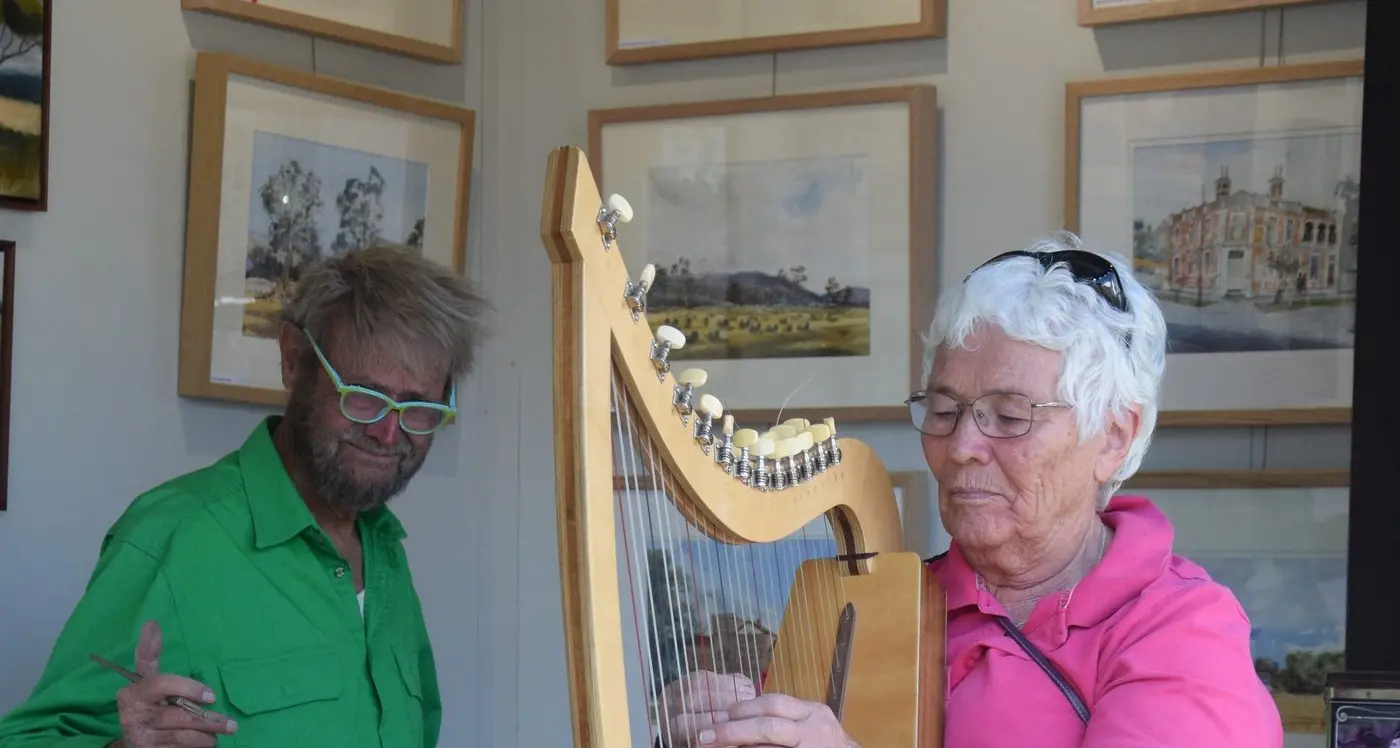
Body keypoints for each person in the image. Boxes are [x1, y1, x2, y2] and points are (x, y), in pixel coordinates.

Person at [657, 232, 1283, 747]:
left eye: (1010, 416)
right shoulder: (871, 606)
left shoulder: (1179, 631)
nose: (961, 447)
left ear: (1115, 437)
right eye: (945, 409)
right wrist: (719, 728)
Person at [0, 246, 488, 748]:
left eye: (420, 408)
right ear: (293, 360)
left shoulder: (385, 549)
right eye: (363, 396)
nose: (390, 434)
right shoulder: (172, 537)